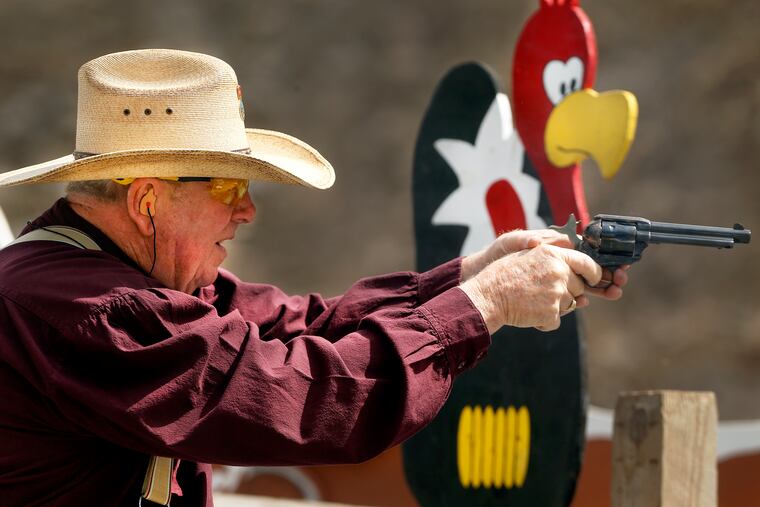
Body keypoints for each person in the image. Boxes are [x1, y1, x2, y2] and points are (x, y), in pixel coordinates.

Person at [0, 49, 627, 506]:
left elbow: (304, 326)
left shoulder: (116, 281)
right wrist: (485, 302)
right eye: (227, 186)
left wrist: (471, 273)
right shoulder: (95, 307)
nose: (245, 209)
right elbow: (306, 399)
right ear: (144, 202)